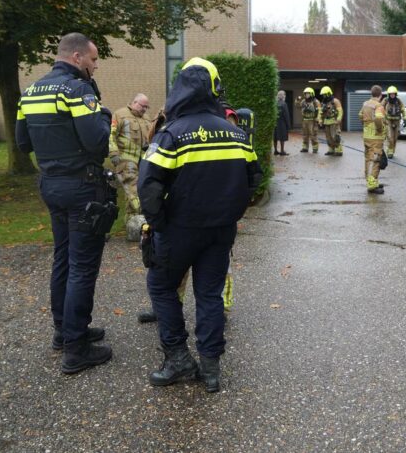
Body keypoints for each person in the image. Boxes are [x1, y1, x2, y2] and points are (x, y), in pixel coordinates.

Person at [138, 57, 260, 393]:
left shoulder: (171, 134)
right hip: (221, 231)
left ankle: (178, 358)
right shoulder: (236, 133)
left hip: (178, 230)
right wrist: (231, 213)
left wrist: (160, 224)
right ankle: (210, 366)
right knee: (209, 294)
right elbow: (253, 180)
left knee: (161, 287)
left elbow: (148, 186)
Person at [15, 32, 114, 374]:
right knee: (82, 266)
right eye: (93, 59)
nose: (95, 66)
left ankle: (64, 330)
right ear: (76, 57)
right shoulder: (77, 90)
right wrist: (104, 114)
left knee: (63, 258)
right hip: (81, 187)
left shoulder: (30, 92)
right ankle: (76, 348)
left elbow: (23, 142)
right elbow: (98, 142)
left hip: (50, 185)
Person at [109, 93, 151, 230]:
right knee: (134, 190)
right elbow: (111, 135)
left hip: (143, 161)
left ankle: (132, 225)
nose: (144, 109)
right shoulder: (120, 114)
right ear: (134, 102)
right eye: (143, 106)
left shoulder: (147, 118)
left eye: (147, 107)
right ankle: (146, 217)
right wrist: (113, 152)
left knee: (135, 191)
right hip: (125, 160)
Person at [358, 85, 386, 194]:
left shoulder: (366, 104)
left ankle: (371, 180)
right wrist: (379, 129)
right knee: (376, 160)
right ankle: (372, 185)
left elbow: (360, 115)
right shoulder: (378, 106)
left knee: (368, 158)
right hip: (375, 137)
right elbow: (378, 119)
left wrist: (366, 125)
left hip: (366, 136)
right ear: (380, 95)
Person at [317, 86, 343, 156]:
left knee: (335, 136)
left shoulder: (335, 101)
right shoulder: (323, 103)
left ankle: (339, 150)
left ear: (328, 93)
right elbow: (320, 112)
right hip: (326, 121)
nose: (324, 96)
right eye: (323, 95)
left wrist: (339, 118)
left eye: (325, 94)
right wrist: (320, 119)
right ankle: (331, 150)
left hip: (334, 121)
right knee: (328, 137)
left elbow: (340, 110)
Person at [383, 86, 406, 159]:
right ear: (388, 94)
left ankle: (392, 150)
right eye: (391, 94)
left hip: (397, 122)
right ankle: (390, 152)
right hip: (388, 121)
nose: (392, 95)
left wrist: (405, 118)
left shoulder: (399, 101)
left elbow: (403, 109)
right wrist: (381, 118)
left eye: (393, 94)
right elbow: (380, 108)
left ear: (396, 94)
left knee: (395, 138)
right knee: (390, 137)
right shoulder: (385, 101)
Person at [299, 87, 321, 153]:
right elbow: (298, 105)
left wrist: (318, 118)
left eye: (308, 94)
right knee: (305, 135)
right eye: (305, 94)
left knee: (313, 135)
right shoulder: (303, 101)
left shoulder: (315, 101)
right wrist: (297, 99)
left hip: (312, 121)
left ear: (311, 94)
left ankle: (315, 148)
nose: (306, 95)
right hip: (305, 120)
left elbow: (320, 111)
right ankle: (305, 148)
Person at [273, 90, 291, 156]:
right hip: (282, 123)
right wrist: (288, 125)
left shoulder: (274, 104)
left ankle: (275, 150)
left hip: (275, 123)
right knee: (282, 137)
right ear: (283, 96)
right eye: (284, 95)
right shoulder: (284, 104)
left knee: (275, 137)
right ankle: (282, 151)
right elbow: (286, 115)